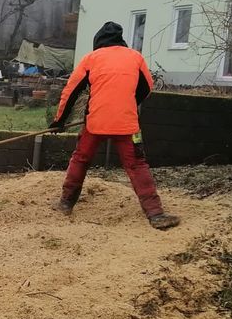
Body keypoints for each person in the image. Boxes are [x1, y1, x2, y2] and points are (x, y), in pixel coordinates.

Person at [49, 21, 179, 230]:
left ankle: (65, 203)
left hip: (95, 122)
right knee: (137, 165)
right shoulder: (135, 57)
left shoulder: (91, 59)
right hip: (127, 124)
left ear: (98, 42)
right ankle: (156, 214)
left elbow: (70, 91)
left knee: (81, 159)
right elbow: (147, 88)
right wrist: (128, 102)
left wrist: (59, 121)